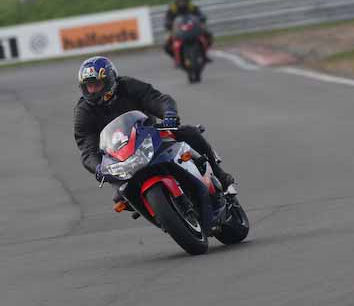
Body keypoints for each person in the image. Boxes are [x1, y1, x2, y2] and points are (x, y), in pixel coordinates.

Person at [73, 56, 234, 208]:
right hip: (120, 157)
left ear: (109, 80)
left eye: (96, 85)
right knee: (122, 198)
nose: (92, 91)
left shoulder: (128, 86)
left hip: (150, 136)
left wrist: (169, 114)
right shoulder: (83, 112)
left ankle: (219, 174)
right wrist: (98, 167)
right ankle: (159, 213)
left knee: (190, 133)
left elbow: (155, 98)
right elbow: (87, 148)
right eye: (88, 86)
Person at [163, 0, 213, 64]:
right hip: (176, 30)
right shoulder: (172, 9)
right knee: (166, 45)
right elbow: (167, 18)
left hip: (192, 28)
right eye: (180, 0)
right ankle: (176, 59)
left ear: (188, 0)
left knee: (208, 35)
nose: (182, 2)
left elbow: (200, 14)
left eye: (184, 0)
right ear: (176, 0)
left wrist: (202, 18)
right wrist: (168, 23)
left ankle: (204, 55)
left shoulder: (192, 7)